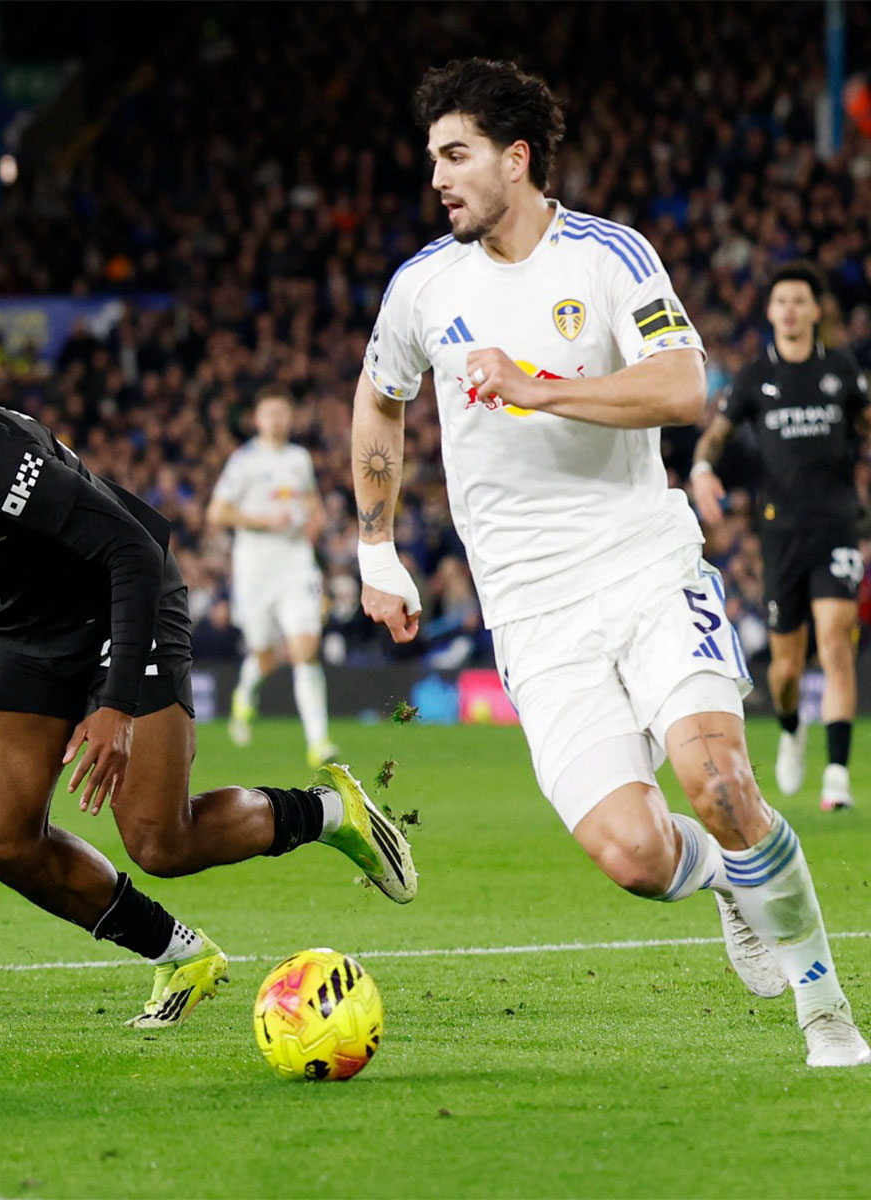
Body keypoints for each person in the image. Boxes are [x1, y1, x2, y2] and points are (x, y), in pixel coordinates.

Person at [351, 58, 867, 1067]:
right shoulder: (419, 288)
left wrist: (538, 385)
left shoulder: (606, 256)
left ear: (516, 156)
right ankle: (730, 878)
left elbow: (683, 386)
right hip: (531, 611)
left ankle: (826, 1012)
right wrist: (375, 544)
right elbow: (379, 395)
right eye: (430, 160)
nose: (438, 179)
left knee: (715, 773)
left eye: (454, 156)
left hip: (642, 558)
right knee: (632, 854)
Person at [0, 298, 416, 1029]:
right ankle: (178, 953)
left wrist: (111, 704)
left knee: (161, 841)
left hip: (121, 596)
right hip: (23, 625)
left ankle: (330, 812)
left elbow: (131, 551)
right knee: (1, 838)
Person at [689, 263, 871, 811]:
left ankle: (837, 775)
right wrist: (701, 472)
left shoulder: (842, 371)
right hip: (780, 533)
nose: (790, 309)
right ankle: (792, 727)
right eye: (781, 301)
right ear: (770, 313)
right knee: (786, 669)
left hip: (838, 525)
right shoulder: (754, 377)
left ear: (816, 311)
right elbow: (714, 438)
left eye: (800, 300)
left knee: (836, 642)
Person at [206, 388, 337, 767]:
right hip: (256, 567)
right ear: (258, 420)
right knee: (265, 653)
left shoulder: (299, 458)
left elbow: (310, 500)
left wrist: (316, 518)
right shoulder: (244, 461)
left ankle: (319, 742)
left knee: (304, 649)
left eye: (283, 412)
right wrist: (264, 520)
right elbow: (217, 513)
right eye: (270, 413)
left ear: (291, 418)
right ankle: (245, 693)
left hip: (296, 562)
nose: (277, 420)